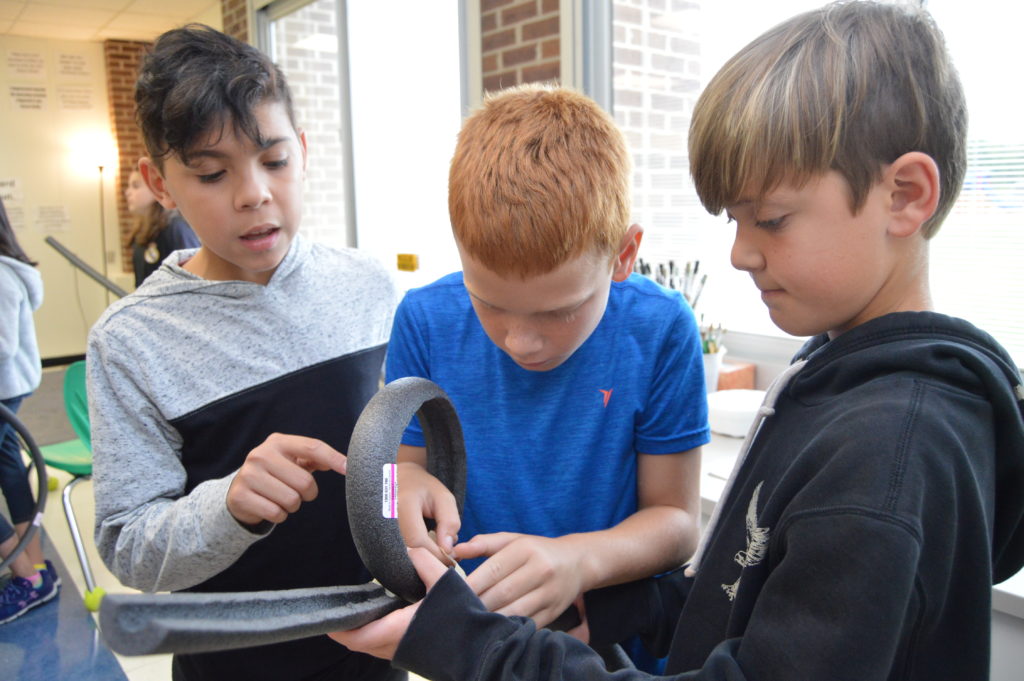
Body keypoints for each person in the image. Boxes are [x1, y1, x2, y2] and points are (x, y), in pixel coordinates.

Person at [330, 3, 1024, 679]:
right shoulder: (827, 373)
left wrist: (488, 636)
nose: (739, 255)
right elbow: (738, 586)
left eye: (773, 220)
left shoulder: (887, 455)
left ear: (905, 195)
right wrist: (408, 494)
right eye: (735, 220)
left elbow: (684, 531)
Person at [87, 25, 397, 681]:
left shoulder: (368, 286)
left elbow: (399, 454)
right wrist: (227, 503)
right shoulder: (130, 341)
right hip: (231, 664)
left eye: (274, 161)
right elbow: (129, 546)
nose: (253, 192)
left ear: (304, 152)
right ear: (159, 182)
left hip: (373, 648)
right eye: (210, 171)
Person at [384, 84, 708, 668]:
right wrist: (400, 491)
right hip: (479, 647)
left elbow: (679, 521)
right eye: (488, 302)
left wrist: (579, 560)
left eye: (559, 310)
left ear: (624, 255)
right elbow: (400, 473)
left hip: (609, 649)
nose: (521, 341)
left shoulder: (661, 330)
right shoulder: (423, 320)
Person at [0, 196, 60, 624]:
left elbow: (1, 346)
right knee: (10, 471)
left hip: (4, 391)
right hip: (9, 389)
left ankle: (26, 576)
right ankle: (36, 569)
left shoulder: (2, 276)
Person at [123, 167, 200, 287]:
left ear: (156, 187)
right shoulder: (143, 231)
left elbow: (193, 278)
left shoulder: (175, 228)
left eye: (136, 186)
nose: (127, 192)